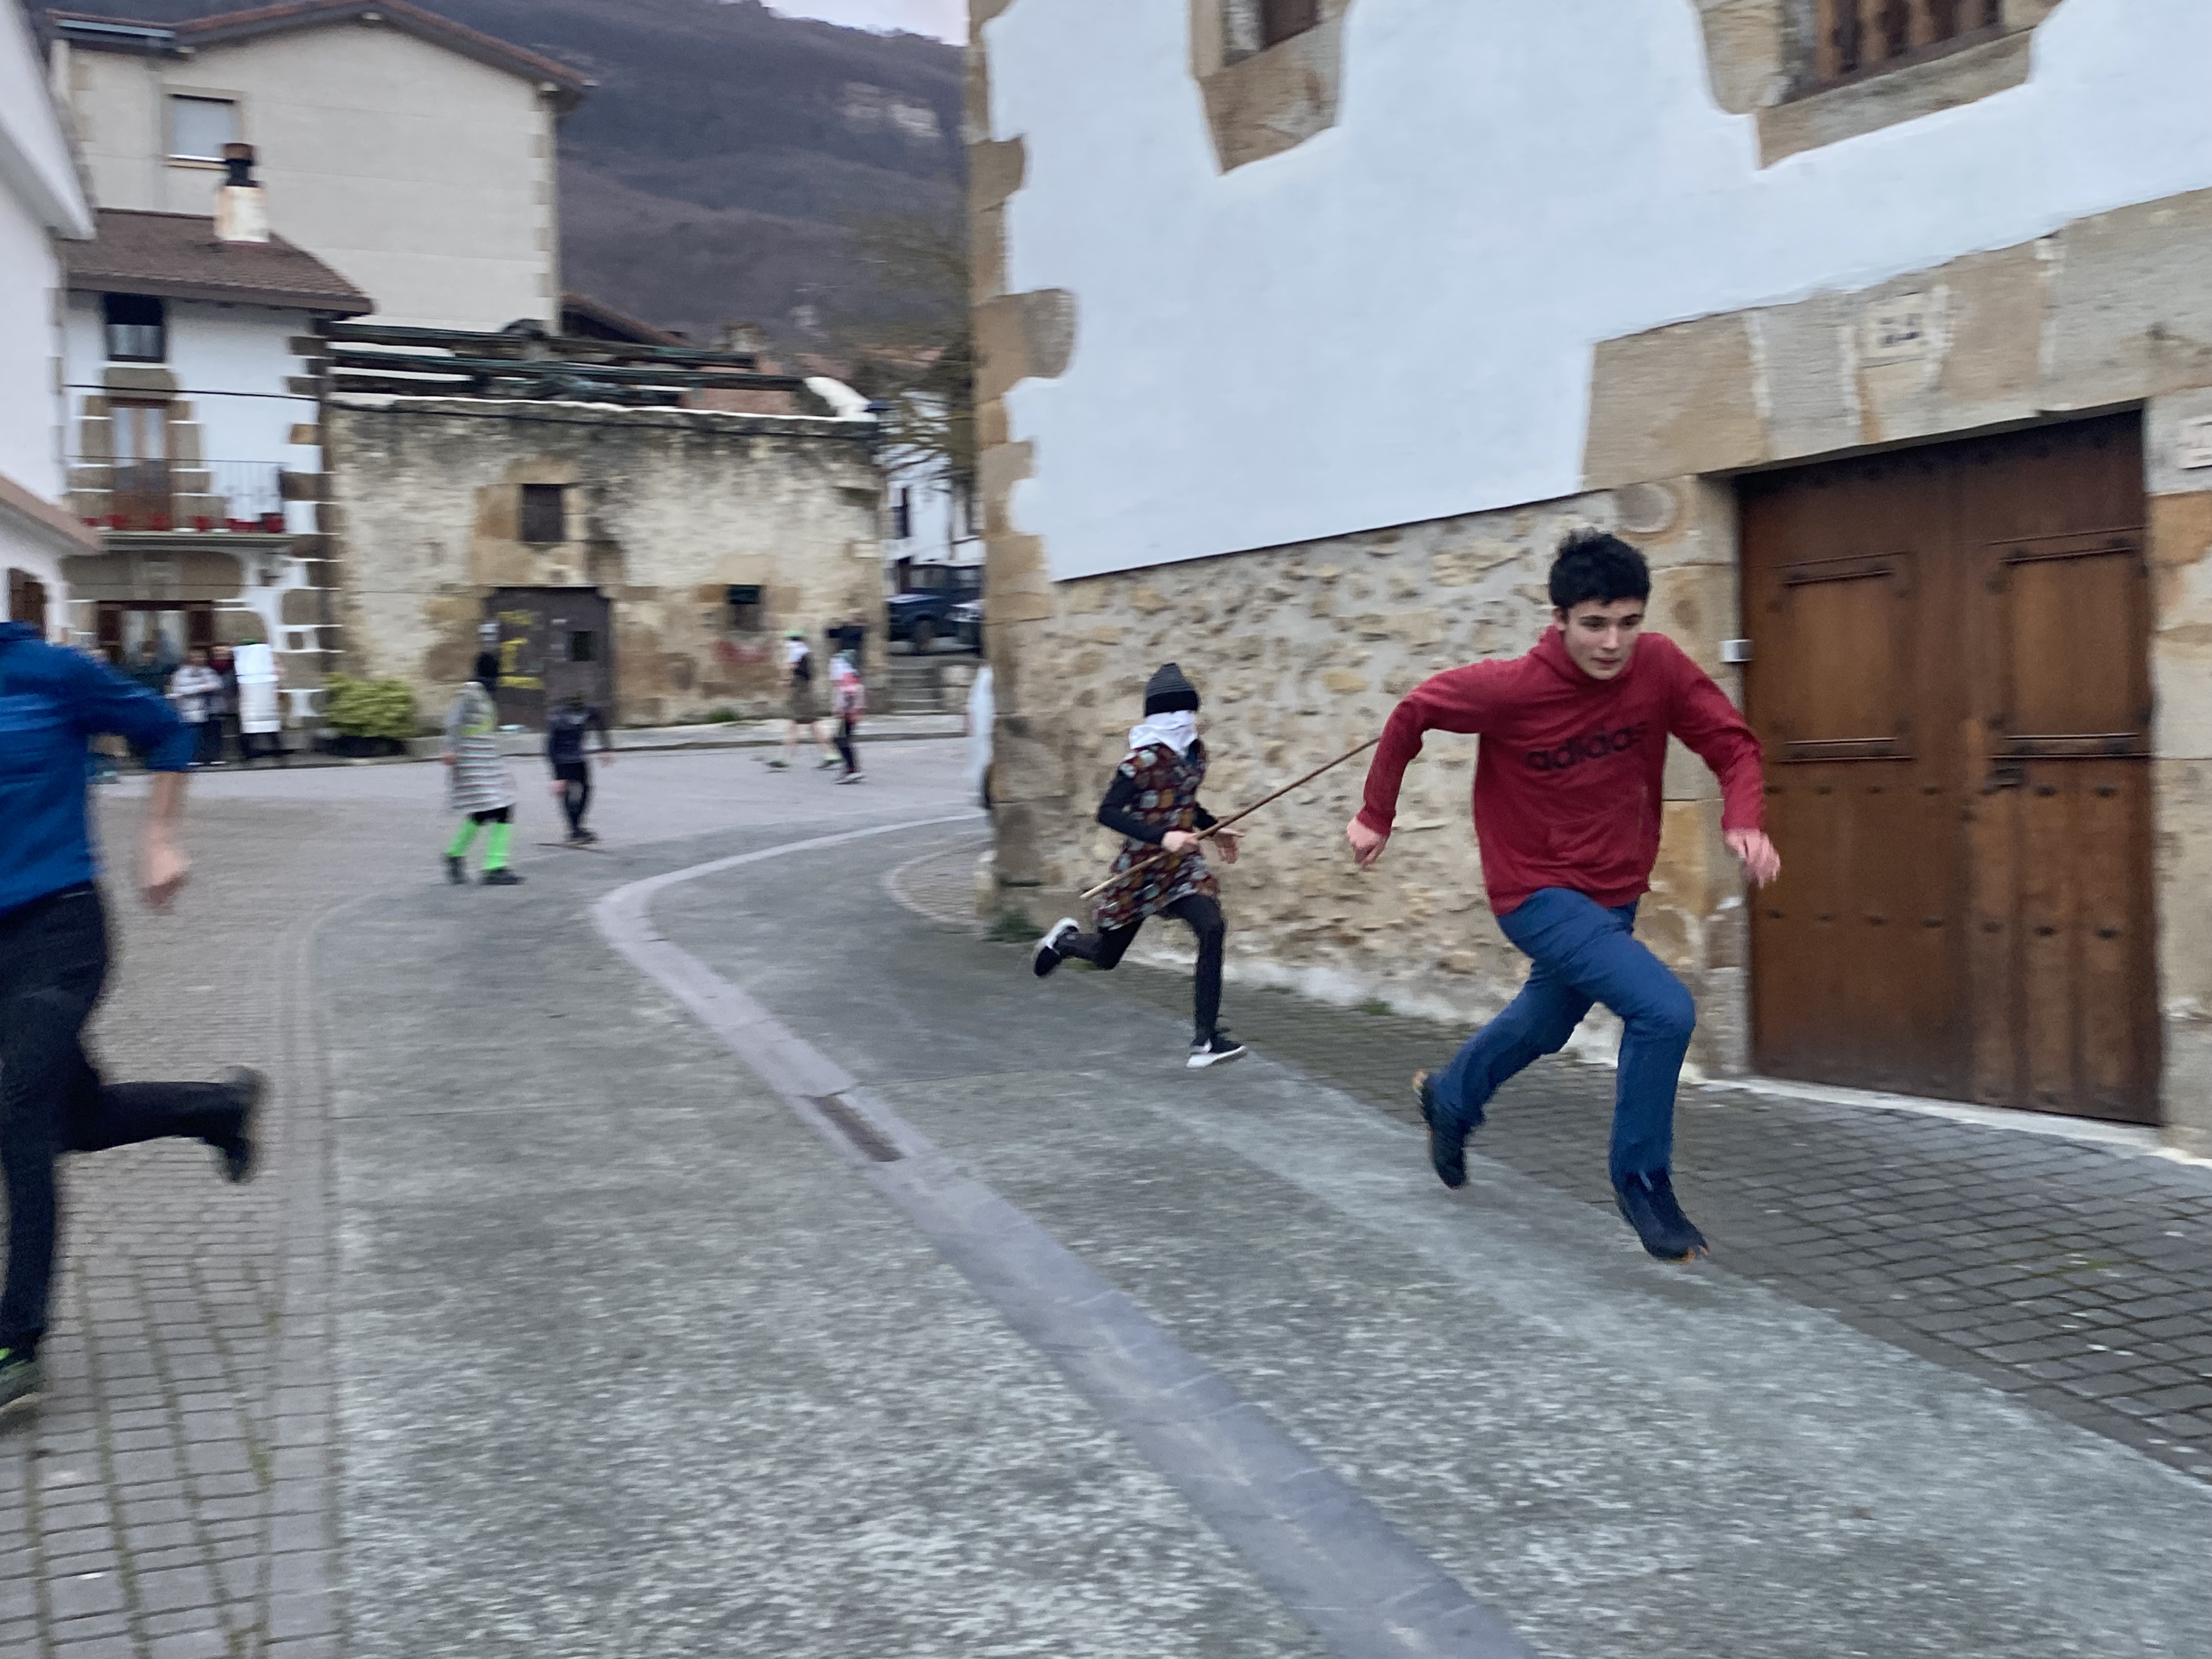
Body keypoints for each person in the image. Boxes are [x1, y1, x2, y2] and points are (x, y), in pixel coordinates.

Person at [1345, 529, 1779, 1262]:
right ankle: (1641, 1181)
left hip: (1613, 891)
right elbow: (1412, 713)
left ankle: (1451, 1097)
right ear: (1559, 619)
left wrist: (1743, 819)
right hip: (1535, 892)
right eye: (1594, 624)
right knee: (1664, 1010)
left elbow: (1733, 745)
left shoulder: (1659, 668)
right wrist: (1374, 815)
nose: (1613, 643)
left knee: (1546, 1023)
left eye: (1628, 623)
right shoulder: (1510, 689)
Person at [0, 619, 262, 1420]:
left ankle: (17, 1346)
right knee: (72, 1120)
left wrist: (159, 836)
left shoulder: (50, 673)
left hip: (58, 933)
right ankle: (217, 1108)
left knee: (20, 1114)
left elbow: (168, 730)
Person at [1032, 663, 1248, 1069]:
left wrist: (1213, 829)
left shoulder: (1196, 755)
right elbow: (1108, 812)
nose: (1185, 720)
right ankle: (1066, 943)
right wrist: (1163, 837)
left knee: (1212, 927)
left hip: (1181, 869)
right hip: (1140, 872)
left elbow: (1184, 802)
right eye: (1177, 712)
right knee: (1107, 956)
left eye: (1189, 711)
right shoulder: (1140, 762)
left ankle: (1205, 1040)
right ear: (1160, 716)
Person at [442, 657, 523, 886]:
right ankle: (494, 867)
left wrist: (500, 768)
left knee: (487, 811)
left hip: (487, 762)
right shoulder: (470, 692)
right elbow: (453, 722)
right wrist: (449, 748)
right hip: (472, 762)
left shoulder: (484, 694)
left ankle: (455, 854)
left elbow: (485, 733)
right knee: (502, 809)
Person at [545, 692, 613, 843]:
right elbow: (550, 748)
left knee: (586, 790)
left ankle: (576, 829)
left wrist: (606, 747)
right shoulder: (557, 717)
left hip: (578, 759)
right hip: (563, 762)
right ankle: (575, 830)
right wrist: (557, 777)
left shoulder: (586, 710)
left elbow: (599, 719)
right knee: (568, 793)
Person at [769, 628, 834, 771]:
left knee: (796, 727)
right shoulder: (805, 654)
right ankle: (831, 755)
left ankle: (785, 760)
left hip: (801, 698)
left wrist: (785, 682)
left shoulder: (796, 652)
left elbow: (789, 671)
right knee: (813, 726)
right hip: (806, 696)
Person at [166, 647, 223, 767]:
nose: (199, 659)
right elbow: (179, 691)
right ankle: (194, 758)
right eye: (196, 657)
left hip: (210, 709)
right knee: (194, 736)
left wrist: (205, 688)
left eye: (201, 657)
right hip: (190, 710)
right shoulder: (181, 674)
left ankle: (212, 758)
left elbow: (218, 684)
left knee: (211, 734)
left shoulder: (209, 672)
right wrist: (201, 688)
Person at [234, 637, 285, 768]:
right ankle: (276, 756)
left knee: (259, 729)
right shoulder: (264, 659)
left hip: (254, 700)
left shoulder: (243, 661)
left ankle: (251, 757)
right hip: (260, 699)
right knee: (265, 729)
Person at [829, 650, 866, 785]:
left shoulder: (848, 678)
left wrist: (842, 708)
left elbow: (849, 695)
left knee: (840, 740)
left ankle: (852, 770)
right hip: (850, 715)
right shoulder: (851, 676)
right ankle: (851, 769)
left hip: (848, 715)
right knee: (843, 741)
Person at [206, 641, 239, 765]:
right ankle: (213, 756)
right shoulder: (208, 668)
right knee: (213, 731)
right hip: (213, 705)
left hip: (233, 703)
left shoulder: (236, 667)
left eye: (225, 652)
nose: (221, 654)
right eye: (218, 652)